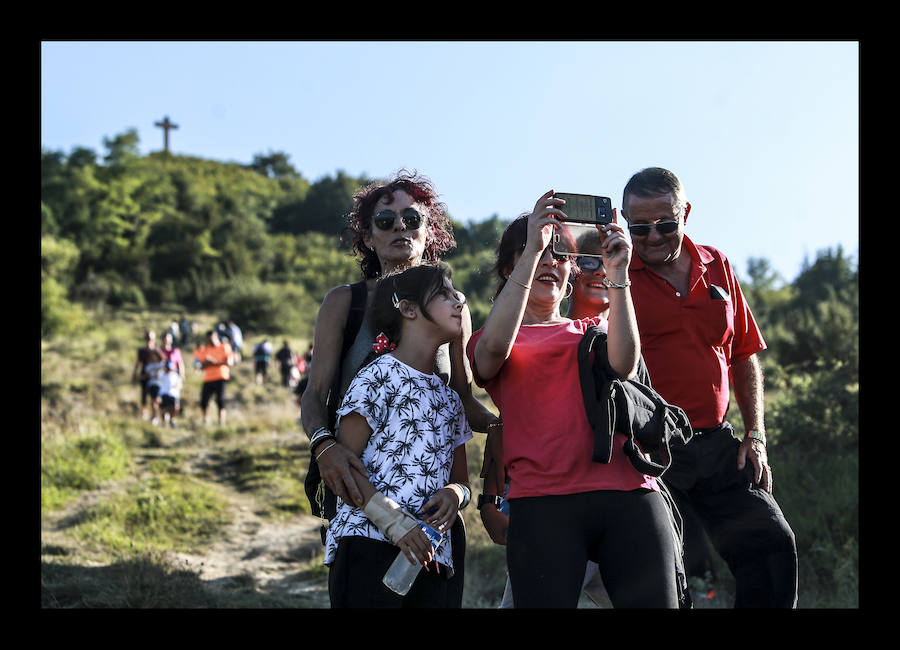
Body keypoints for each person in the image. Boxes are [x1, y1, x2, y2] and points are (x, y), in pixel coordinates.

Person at [467, 192, 680, 608]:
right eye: (540, 252)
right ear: (512, 267)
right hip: (545, 506)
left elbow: (624, 364)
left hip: (630, 495)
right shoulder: (494, 338)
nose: (552, 261)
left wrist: (619, 272)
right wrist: (533, 247)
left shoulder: (593, 327)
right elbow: (490, 355)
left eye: (560, 254)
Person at [300, 170, 499, 607]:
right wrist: (324, 446)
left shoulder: (454, 308)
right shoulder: (345, 302)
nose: (400, 228)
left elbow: (463, 401)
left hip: (433, 522)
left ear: (430, 232)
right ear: (367, 237)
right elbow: (314, 397)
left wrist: (507, 430)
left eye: (412, 218)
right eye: (385, 221)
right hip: (361, 493)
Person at [621, 166, 797, 607]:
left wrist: (755, 435)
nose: (653, 236)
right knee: (670, 578)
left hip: (717, 444)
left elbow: (743, 352)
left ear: (687, 213)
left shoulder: (716, 263)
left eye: (665, 223)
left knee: (773, 545)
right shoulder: (616, 276)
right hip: (653, 450)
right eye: (639, 227)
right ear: (624, 221)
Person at [325, 263, 472, 608]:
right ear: (407, 309)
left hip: (431, 556)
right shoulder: (376, 376)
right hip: (367, 545)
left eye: (457, 294)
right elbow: (344, 471)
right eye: (444, 294)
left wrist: (455, 495)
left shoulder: (451, 399)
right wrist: (395, 523)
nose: (458, 302)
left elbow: (463, 483)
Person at [192, 329, 234, 426]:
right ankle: (206, 420)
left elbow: (229, 362)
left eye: (211, 339)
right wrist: (207, 363)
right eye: (208, 339)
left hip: (221, 377)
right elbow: (200, 367)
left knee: (220, 400)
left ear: (216, 337)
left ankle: (221, 421)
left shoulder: (224, 347)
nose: (209, 341)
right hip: (208, 378)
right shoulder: (205, 350)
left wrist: (214, 362)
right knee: (204, 401)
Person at [132, 330, 161, 420]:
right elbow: (139, 362)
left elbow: (163, 361)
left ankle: (154, 416)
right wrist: (135, 373)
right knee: (144, 395)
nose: (149, 340)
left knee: (154, 396)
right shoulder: (142, 351)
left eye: (151, 338)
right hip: (144, 375)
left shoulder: (157, 350)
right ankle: (144, 413)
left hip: (154, 376)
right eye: (148, 338)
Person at [156, 360, 183, 428]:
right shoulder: (162, 375)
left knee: (176, 407)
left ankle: (172, 419)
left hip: (173, 394)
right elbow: (157, 380)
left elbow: (179, 385)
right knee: (163, 409)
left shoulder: (175, 375)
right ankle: (164, 422)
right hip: (164, 394)